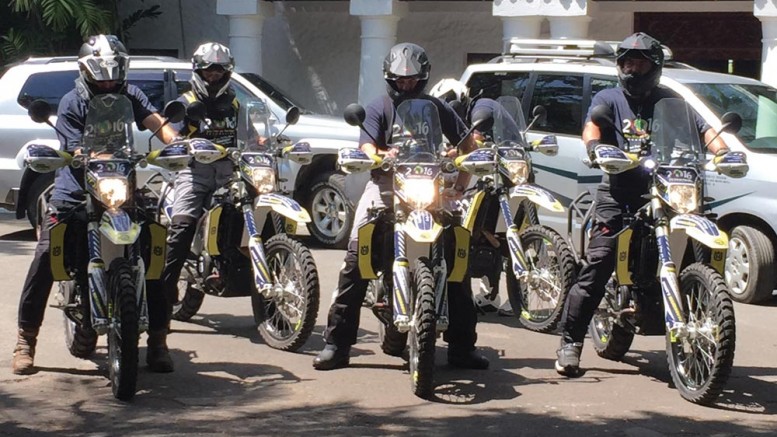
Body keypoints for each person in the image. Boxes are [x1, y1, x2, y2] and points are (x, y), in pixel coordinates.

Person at [554, 32, 731, 377]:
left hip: (668, 191)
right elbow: (592, 126)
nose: (632, 69)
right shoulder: (610, 98)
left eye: (640, 63)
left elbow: (706, 131)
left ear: (655, 67)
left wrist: (724, 152)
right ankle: (570, 342)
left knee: (700, 246)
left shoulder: (673, 101)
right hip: (620, 193)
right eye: (627, 63)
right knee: (600, 262)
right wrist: (595, 148)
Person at [314, 42, 489, 371]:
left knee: (457, 255)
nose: (405, 84)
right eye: (399, 80)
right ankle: (337, 344)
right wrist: (376, 155)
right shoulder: (379, 107)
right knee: (355, 257)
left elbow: (469, 145)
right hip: (385, 186)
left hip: (430, 188)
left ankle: (462, 347)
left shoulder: (437, 107)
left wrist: (461, 184)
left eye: (411, 80)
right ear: (389, 78)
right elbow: (365, 143)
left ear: (423, 78)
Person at [12, 34, 179, 375]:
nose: (108, 79)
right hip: (77, 187)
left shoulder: (130, 94)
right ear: (87, 70)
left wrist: (176, 143)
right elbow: (73, 146)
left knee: (153, 249)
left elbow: (155, 122)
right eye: (101, 72)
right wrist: (86, 155)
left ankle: (159, 340)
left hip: (120, 186)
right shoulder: (74, 101)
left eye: (114, 71)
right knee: (46, 254)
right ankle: (25, 340)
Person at [146, 42, 249, 373]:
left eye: (220, 69)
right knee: (181, 228)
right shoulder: (186, 102)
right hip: (196, 172)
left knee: (257, 213)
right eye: (209, 69)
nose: (215, 74)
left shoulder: (235, 102)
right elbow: (169, 131)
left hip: (230, 171)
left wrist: (261, 145)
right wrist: (179, 143)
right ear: (199, 71)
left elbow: (251, 134)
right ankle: (162, 313)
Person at [430, 78, 520, 317]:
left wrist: (451, 153)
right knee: (485, 233)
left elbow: (476, 140)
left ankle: (505, 294)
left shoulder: (481, 107)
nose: (451, 113)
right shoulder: (473, 113)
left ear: (462, 99)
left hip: (500, 176)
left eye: (453, 107)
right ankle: (490, 294)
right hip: (500, 177)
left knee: (476, 229)